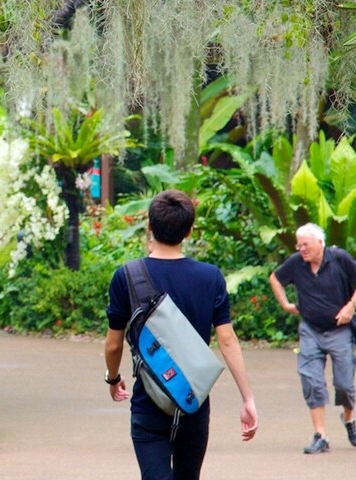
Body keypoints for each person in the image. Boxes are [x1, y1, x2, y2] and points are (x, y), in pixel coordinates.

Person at [103, 190, 260, 480]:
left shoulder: (126, 276)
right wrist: (247, 398)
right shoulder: (210, 276)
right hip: (193, 401)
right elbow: (227, 341)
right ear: (188, 231)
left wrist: (113, 378)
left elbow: (114, 344)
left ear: (149, 226)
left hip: (149, 401)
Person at [267, 223, 356, 454]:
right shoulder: (297, 263)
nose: (301, 249)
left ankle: (348, 420)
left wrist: (350, 307)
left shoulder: (339, 258)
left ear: (319, 243)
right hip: (310, 330)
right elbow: (275, 279)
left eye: (305, 244)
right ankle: (321, 435)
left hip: (339, 330)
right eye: (299, 244)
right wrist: (286, 305)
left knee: (344, 384)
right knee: (311, 380)